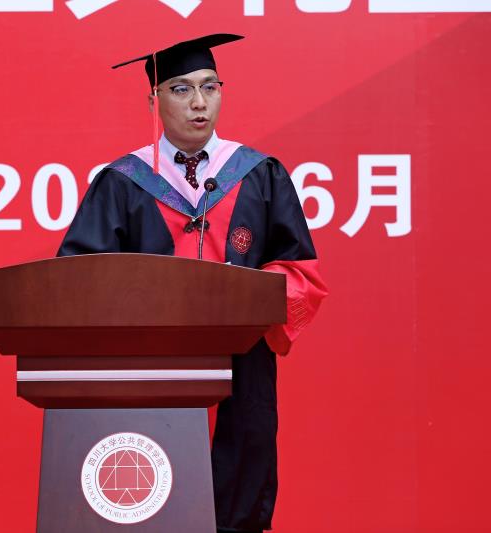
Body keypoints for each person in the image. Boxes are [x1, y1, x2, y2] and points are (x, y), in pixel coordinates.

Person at [57, 34, 327, 533]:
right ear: (154, 100)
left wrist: (244, 301)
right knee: (151, 509)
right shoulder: (122, 182)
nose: (199, 102)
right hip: (149, 375)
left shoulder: (260, 174)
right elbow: (78, 281)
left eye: (210, 87)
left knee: (235, 506)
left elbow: (300, 273)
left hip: (241, 372)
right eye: (181, 89)